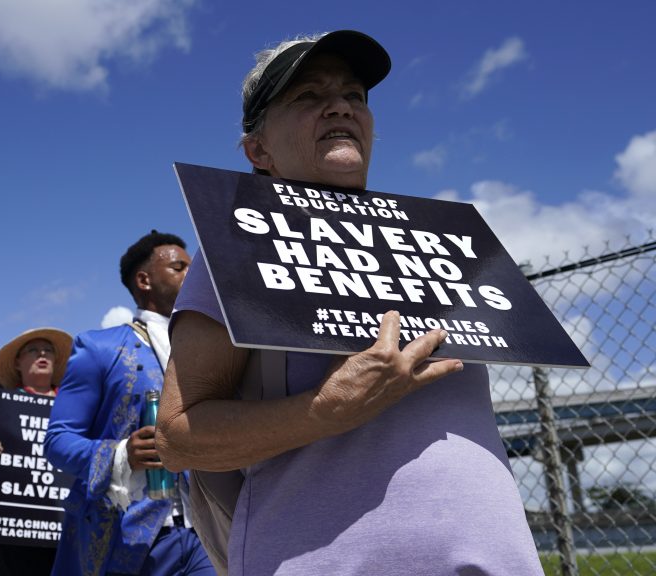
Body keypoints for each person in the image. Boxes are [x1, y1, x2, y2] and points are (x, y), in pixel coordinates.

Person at [154, 30, 544, 576]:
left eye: (354, 95)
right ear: (258, 149)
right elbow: (177, 438)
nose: (339, 104)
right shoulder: (238, 241)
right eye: (308, 96)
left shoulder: (438, 242)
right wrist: (327, 409)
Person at [44, 231, 214, 576]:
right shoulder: (99, 348)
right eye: (180, 267)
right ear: (144, 280)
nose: (192, 275)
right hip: (130, 532)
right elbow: (58, 441)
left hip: (207, 530)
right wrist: (123, 453)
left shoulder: (213, 351)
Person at [0, 327, 73, 576]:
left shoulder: (72, 402)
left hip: (65, 524)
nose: (42, 354)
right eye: (33, 350)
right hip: (15, 528)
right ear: (18, 362)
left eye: (48, 350)